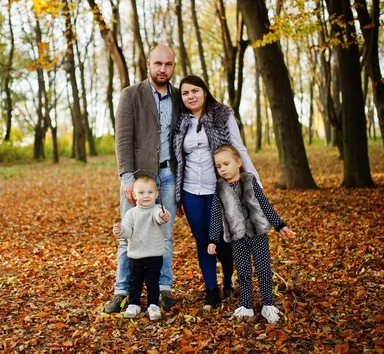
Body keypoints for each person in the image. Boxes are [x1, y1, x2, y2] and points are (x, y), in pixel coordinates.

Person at [173, 74, 262, 308]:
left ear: (204, 91)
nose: (191, 96)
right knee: (202, 241)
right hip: (191, 190)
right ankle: (211, 290)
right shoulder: (181, 121)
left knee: (223, 241)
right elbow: (177, 158)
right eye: (185, 93)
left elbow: (238, 148)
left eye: (195, 91)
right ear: (181, 98)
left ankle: (228, 274)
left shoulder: (223, 114)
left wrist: (254, 182)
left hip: (221, 189)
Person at [104, 44, 179, 314]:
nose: (163, 69)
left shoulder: (180, 97)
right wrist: (127, 178)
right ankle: (122, 291)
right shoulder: (131, 94)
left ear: (173, 66)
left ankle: (163, 289)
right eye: (158, 63)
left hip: (169, 175)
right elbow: (122, 138)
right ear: (148, 63)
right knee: (129, 236)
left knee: (165, 234)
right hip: (138, 179)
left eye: (168, 64)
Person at [209, 145, 294, 323]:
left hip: (258, 234)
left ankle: (268, 305)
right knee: (243, 272)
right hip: (237, 238)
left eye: (226, 163)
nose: (223, 169)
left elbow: (264, 204)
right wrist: (213, 239)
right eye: (218, 166)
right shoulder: (220, 189)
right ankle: (246, 306)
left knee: (263, 269)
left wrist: (280, 225)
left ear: (238, 162)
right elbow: (216, 215)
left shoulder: (249, 181)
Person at [112, 175, 170, 320]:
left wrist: (164, 216)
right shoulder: (131, 213)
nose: (146, 196)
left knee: (153, 281)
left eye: (150, 193)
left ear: (156, 194)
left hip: (154, 254)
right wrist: (120, 230)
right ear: (134, 195)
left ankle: (153, 305)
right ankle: (134, 304)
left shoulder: (156, 209)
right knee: (135, 281)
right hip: (136, 255)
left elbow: (160, 217)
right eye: (141, 193)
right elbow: (127, 232)